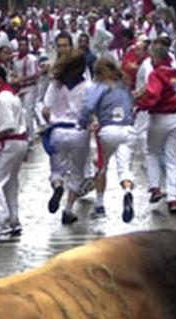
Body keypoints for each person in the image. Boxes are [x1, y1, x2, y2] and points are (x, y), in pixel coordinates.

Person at [78, 58, 136, 223]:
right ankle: (127, 192)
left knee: (102, 167)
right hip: (128, 130)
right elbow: (132, 105)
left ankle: (100, 204)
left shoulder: (99, 86)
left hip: (108, 130)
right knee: (124, 169)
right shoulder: (123, 85)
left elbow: (89, 107)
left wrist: (82, 123)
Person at [135, 45, 176, 214]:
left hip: (159, 117)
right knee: (173, 158)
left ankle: (155, 186)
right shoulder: (175, 73)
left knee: (153, 152)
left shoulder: (156, 75)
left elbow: (153, 95)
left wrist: (140, 105)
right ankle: (173, 197)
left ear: (157, 58)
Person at [42, 48, 90, 225]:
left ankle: (58, 186)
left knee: (56, 170)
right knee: (77, 172)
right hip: (79, 132)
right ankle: (68, 209)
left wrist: (49, 119)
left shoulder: (55, 85)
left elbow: (45, 109)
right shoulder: (88, 87)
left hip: (57, 131)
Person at [0, 64, 29, 237]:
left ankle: (2, 221)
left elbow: (8, 126)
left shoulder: (3, 98)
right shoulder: (11, 96)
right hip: (18, 142)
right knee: (10, 184)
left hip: (9, 143)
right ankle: (14, 220)